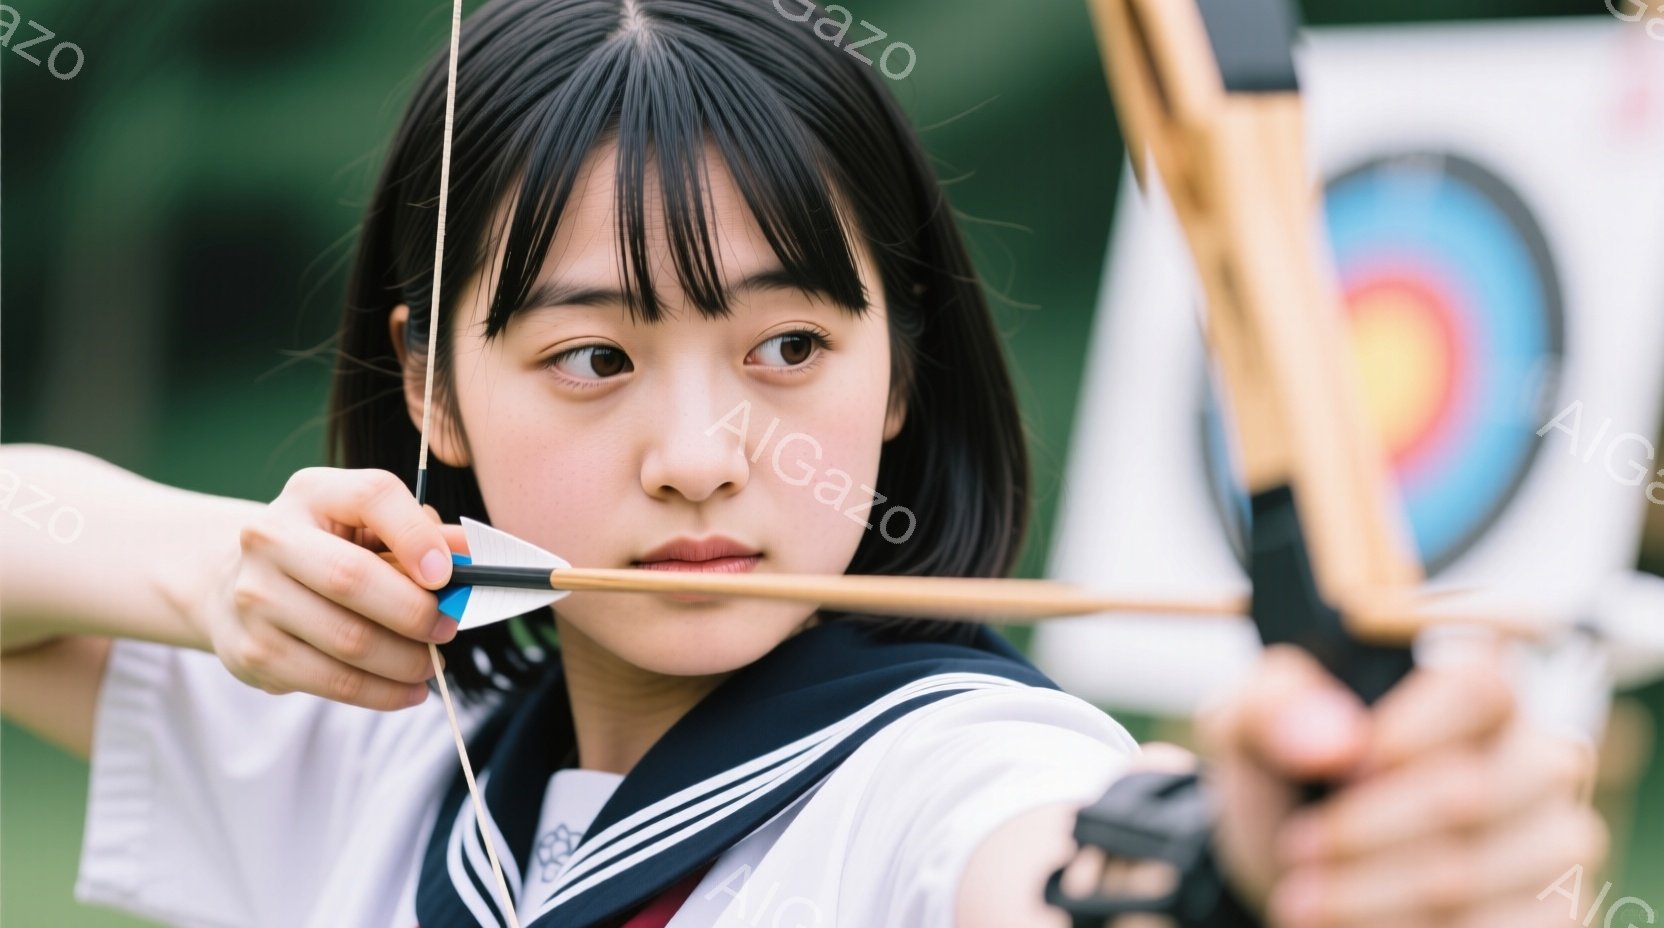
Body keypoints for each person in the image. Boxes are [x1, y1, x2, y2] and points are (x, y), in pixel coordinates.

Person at [0, 1, 1604, 926]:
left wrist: (1256, 860)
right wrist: (220, 577)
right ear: (432, 382)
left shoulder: (946, 769)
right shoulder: (377, 746)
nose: (705, 458)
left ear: (898, 364)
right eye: (592, 360)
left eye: (787, 349)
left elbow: (1069, 866)